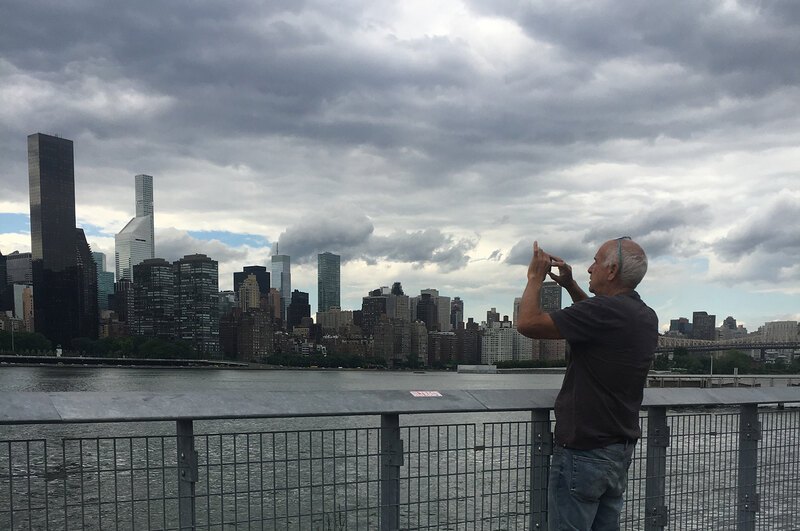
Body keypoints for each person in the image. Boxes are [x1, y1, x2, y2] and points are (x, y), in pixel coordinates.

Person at [517, 238, 658, 531]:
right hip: (617, 452)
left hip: (583, 452)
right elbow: (594, 319)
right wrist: (570, 285)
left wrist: (535, 277)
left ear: (612, 270)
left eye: (595, 261)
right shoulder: (644, 315)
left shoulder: (604, 313)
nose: (589, 268)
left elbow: (528, 324)